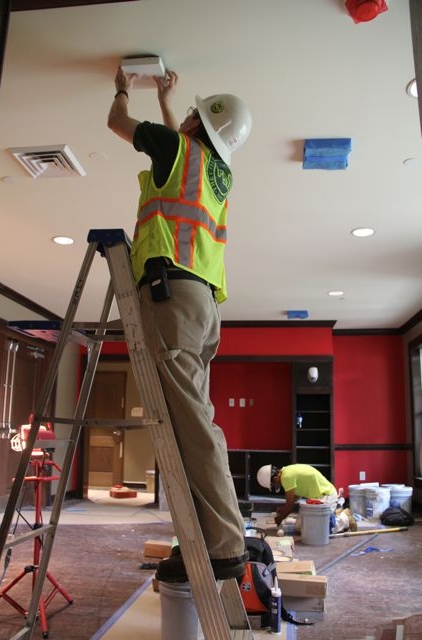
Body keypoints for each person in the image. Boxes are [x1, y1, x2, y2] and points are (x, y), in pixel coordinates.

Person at [107, 67, 252, 582]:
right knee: (193, 423)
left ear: (195, 122)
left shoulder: (180, 149)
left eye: (189, 113)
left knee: (192, 427)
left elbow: (116, 121)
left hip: (173, 299)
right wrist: (168, 100)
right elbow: (178, 144)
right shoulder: (216, 173)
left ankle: (225, 547)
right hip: (202, 307)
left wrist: (123, 86)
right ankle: (206, 539)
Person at [257, 463, 340, 526]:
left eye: (273, 485)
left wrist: (278, 520)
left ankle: (344, 520)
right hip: (320, 498)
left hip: (327, 497)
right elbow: (294, 498)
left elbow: (290, 506)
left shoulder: (286, 477)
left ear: (275, 479)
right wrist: (283, 510)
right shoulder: (286, 471)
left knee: (318, 527)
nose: (276, 487)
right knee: (301, 526)